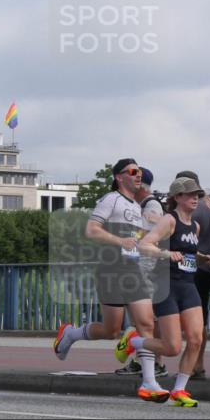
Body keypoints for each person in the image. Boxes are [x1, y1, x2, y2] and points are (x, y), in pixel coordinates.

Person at [53, 158, 166, 401]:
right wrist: (119, 242)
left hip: (132, 269)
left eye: (140, 172)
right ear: (119, 177)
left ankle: (149, 382)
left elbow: (136, 241)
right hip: (111, 269)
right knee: (111, 330)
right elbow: (91, 230)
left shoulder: (138, 207)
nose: (139, 175)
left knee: (145, 323)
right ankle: (71, 334)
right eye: (133, 172)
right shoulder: (110, 199)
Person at [116, 177, 210, 407]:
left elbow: (186, 251)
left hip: (188, 286)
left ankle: (179, 390)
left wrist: (201, 257)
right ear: (177, 197)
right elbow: (145, 245)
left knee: (195, 339)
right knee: (172, 347)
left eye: (198, 195)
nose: (195, 198)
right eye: (191, 194)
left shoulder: (196, 226)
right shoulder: (169, 220)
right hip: (167, 286)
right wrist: (166, 255)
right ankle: (134, 341)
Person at [115, 167, 168, 378]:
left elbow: (151, 234)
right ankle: (143, 359)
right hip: (140, 267)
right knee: (143, 318)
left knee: (148, 318)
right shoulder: (141, 205)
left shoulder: (150, 205)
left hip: (147, 268)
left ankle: (154, 361)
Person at [176, 170, 210, 379]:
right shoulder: (206, 207)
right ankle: (198, 364)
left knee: (193, 318)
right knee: (200, 316)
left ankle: (194, 363)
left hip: (198, 266)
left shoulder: (192, 210)